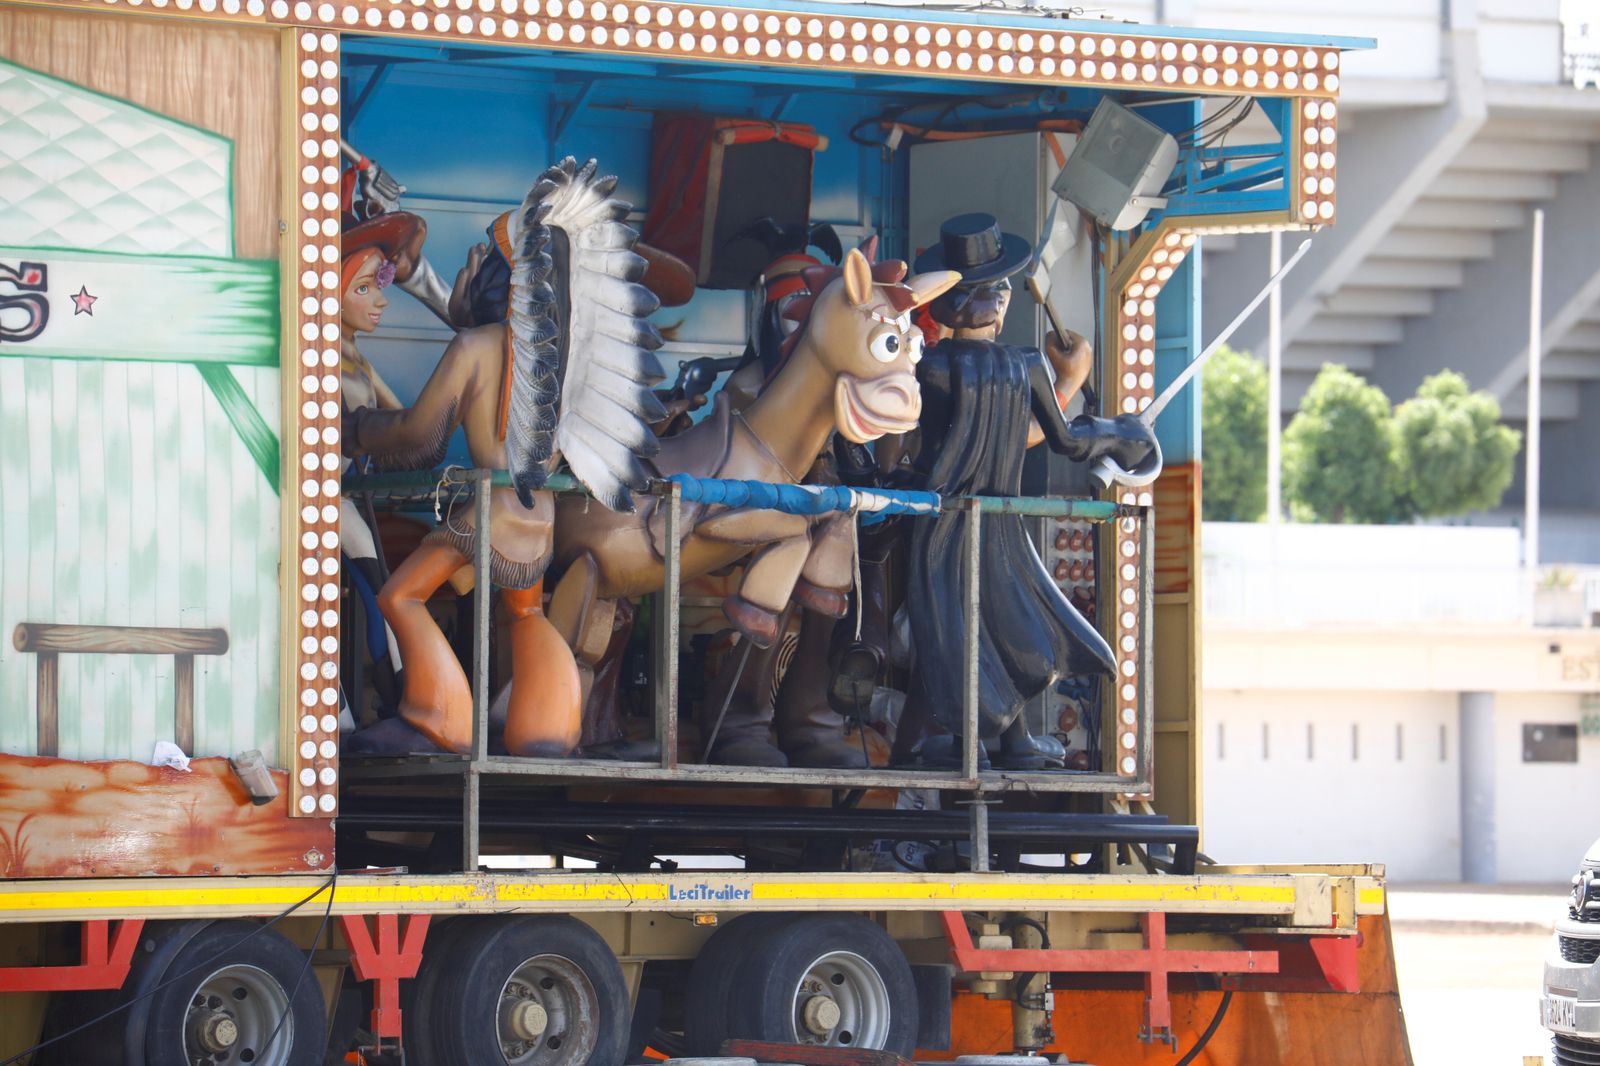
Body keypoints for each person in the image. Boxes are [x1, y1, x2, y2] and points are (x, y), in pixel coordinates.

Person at [899, 213, 1158, 769]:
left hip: (938, 525)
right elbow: (1059, 440)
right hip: (1000, 524)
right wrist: (1112, 427)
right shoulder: (1025, 365)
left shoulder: (930, 369)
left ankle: (974, 745)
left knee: (953, 633)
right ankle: (1012, 741)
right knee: (1005, 618)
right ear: (998, 301)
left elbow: (916, 442)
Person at [339, 211, 429, 724]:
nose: (380, 300)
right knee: (378, 588)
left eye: (380, 286)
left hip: (350, 493)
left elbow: (404, 423)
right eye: (365, 288)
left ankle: (395, 700)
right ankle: (382, 702)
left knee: (382, 590)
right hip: (320, 495)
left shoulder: (359, 361)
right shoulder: (318, 358)